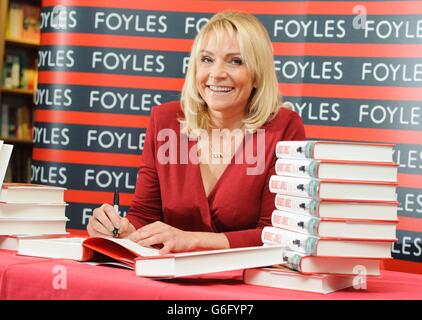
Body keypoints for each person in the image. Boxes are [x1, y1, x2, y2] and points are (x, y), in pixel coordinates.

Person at [87, 11, 305, 254]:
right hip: (168, 280)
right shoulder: (165, 121)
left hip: (242, 284)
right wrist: (120, 229)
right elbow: (144, 215)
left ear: (257, 75)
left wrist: (192, 240)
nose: (217, 73)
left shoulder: (283, 128)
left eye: (236, 61)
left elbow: (276, 234)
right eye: (207, 59)